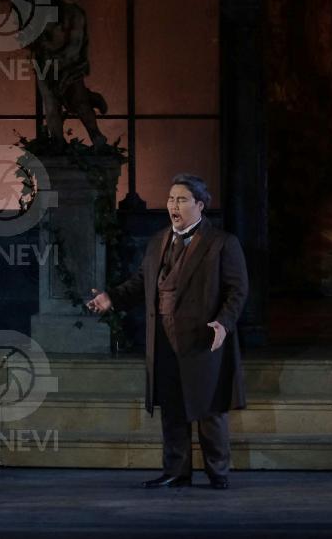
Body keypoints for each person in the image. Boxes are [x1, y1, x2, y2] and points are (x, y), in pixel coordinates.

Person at [88, 174, 248, 489]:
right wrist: (111, 298)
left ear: (200, 205)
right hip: (163, 336)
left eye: (182, 199)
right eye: (171, 199)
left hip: (203, 336)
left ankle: (218, 472)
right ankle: (176, 470)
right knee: (173, 407)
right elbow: (141, 283)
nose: (174, 205)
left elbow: (237, 290)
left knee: (209, 407)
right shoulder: (159, 241)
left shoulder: (221, 243)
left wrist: (223, 322)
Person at [33, 0, 109, 147]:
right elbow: (41, 37)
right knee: (51, 105)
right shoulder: (50, 11)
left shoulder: (78, 15)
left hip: (71, 67)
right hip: (47, 66)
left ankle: (97, 137)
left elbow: (79, 44)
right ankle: (57, 142)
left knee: (81, 103)